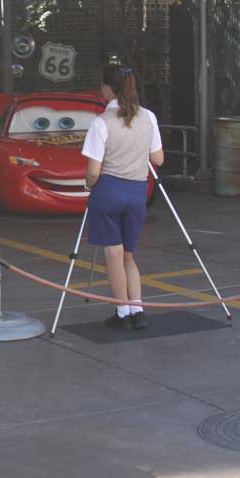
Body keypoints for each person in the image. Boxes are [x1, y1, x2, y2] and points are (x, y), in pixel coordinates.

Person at [81, 64, 164, 330]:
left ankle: (122, 313)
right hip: (138, 191)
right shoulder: (148, 117)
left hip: (109, 191)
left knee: (113, 255)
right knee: (129, 255)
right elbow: (158, 158)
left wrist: (88, 183)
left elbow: (93, 172)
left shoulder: (100, 123)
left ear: (107, 88)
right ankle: (138, 309)